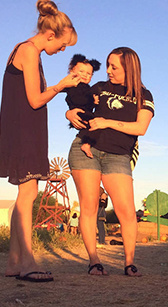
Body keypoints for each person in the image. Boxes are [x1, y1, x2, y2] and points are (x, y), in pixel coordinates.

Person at [0, 0, 78, 282]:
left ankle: (14, 263)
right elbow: (35, 99)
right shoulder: (29, 51)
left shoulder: (29, 51)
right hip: (23, 132)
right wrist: (60, 86)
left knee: (25, 195)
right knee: (28, 195)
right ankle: (28, 263)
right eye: (63, 44)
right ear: (51, 35)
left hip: (24, 130)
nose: (63, 50)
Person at [66, 47, 154, 277]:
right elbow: (77, 101)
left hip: (118, 155)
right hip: (86, 149)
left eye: (114, 67)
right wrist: (70, 113)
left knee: (126, 211)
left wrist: (106, 122)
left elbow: (140, 128)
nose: (108, 71)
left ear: (129, 68)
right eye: (107, 65)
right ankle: (94, 262)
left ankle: (129, 263)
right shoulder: (100, 88)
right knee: (89, 207)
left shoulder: (144, 96)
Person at [62, 54, 102, 158]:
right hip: (79, 112)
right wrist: (93, 101)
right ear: (72, 71)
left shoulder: (88, 88)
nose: (85, 75)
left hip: (84, 112)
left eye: (89, 74)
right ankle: (86, 144)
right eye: (81, 71)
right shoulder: (72, 85)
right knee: (97, 124)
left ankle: (87, 143)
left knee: (92, 127)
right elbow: (80, 100)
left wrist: (94, 101)